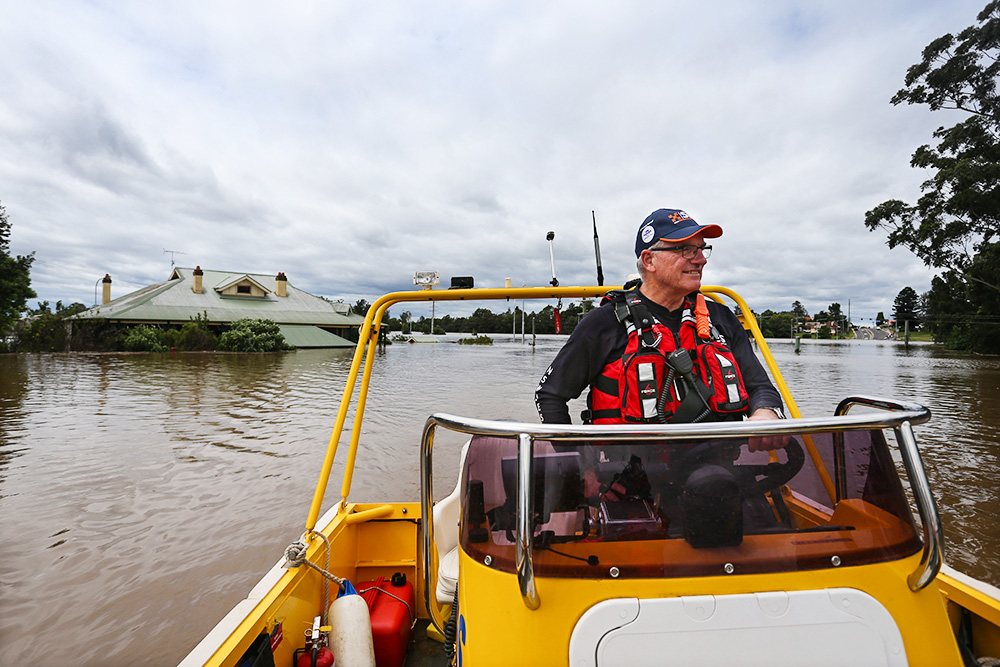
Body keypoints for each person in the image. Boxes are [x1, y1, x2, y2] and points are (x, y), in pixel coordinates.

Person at [535, 208, 786, 452]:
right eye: (687, 250)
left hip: (720, 468)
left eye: (702, 249)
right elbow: (549, 396)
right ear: (649, 260)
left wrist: (766, 412)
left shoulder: (721, 319)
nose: (701, 259)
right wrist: (574, 462)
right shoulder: (604, 323)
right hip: (628, 473)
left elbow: (760, 387)